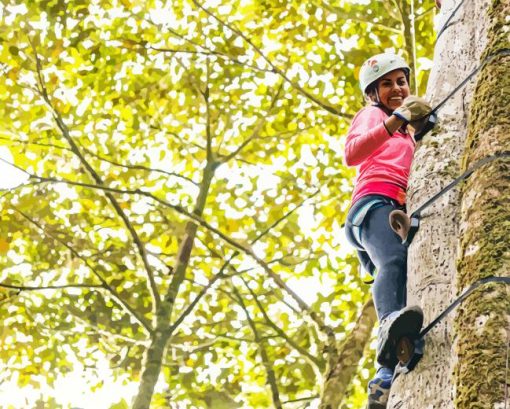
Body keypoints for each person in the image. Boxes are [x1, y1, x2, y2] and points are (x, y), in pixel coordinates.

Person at [344, 53, 431, 408]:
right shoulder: (374, 115)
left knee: (406, 276)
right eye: (386, 84)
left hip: (401, 206)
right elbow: (352, 152)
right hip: (374, 203)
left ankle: (385, 377)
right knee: (393, 261)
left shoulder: (409, 134)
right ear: (373, 93)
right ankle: (387, 327)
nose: (396, 89)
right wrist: (395, 121)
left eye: (401, 81)